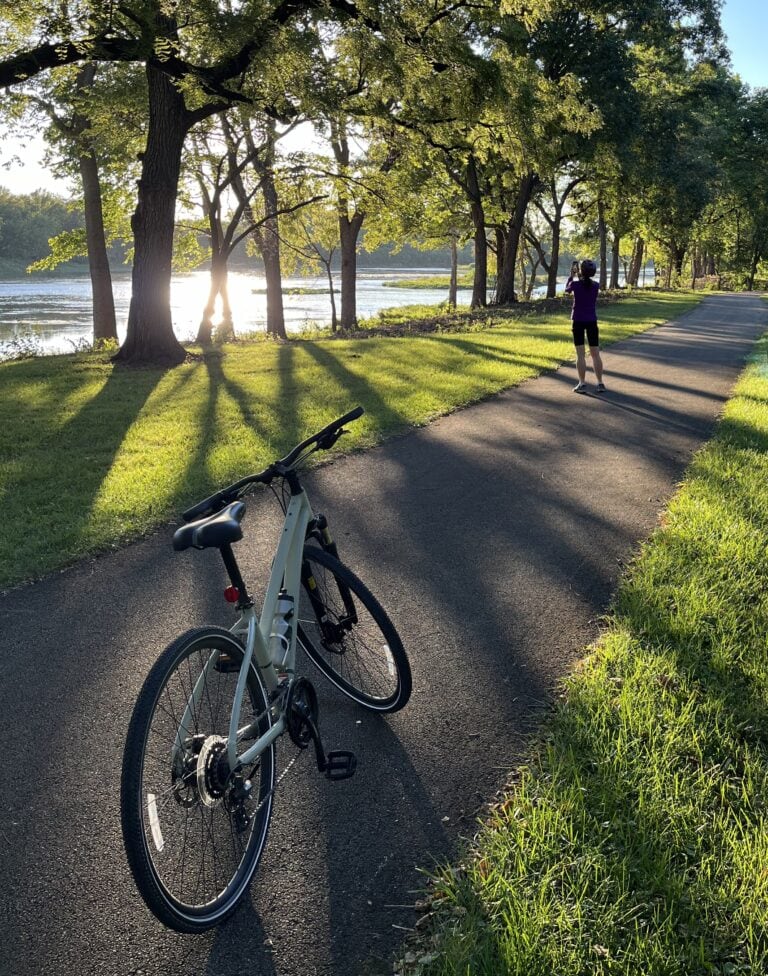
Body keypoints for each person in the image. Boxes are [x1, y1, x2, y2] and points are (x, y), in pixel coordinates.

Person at [565, 259, 605, 394]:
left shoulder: (575, 285)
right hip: (592, 321)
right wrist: (579, 275)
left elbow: (567, 290)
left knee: (580, 354)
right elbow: (586, 283)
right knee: (595, 354)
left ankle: (582, 383)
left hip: (578, 321)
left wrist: (572, 275)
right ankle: (600, 383)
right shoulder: (596, 285)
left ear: (581, 271)